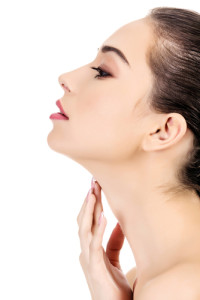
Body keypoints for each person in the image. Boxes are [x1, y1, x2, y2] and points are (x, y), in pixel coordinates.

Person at [47, 6, 200, 299]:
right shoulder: (140, 283)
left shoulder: (179, 287)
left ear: (163, 130)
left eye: (102, 72)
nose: (65, 77)